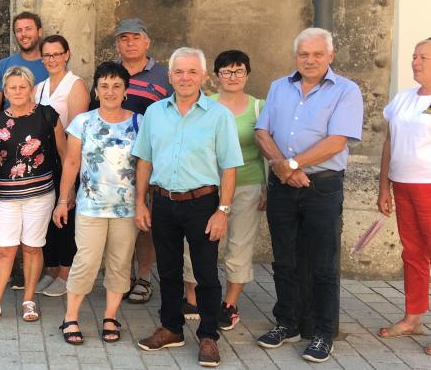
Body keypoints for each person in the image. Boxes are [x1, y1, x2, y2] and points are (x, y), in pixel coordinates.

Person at [254, 28, 364, 363]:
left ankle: (322, 331)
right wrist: (282, 167)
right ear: (296, 57)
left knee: (323, 262)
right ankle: (288, 323)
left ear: (330, 56)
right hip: (282, 186)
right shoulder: (278, 87)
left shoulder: (346, 90)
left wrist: (292, 163)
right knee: (284, 259)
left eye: (318, 54)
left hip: (322, 187)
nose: (310, 60)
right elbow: (262, 131)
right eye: (304, 54)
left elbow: (337, 141)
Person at [132, 47, 242, 368]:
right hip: (164, 202)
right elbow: (145, 160)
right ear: (170, 77)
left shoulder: (219, 115)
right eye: (179, 72)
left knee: (206, 273)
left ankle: (208, 335)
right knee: (167, 270)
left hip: (203, 204)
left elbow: (230, 167)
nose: (185, 77)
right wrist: (141, 201)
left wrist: (222, 210)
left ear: (203, 76)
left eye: (192, 72)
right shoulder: (155, 113)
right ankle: (171, 328)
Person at [55, 62, 139, 344]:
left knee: (119, 263)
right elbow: (71, 161)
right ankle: (71, 317)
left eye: (117, 86)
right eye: (104, 85)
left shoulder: (139, 123)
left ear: (125, 90)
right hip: (90, 207)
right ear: (96, 89)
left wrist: (143, 203)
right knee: (86, 262)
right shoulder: (83, 122)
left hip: (126, 209)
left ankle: (111, 316)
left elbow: (144, 167)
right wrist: (63, 199)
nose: (110, 91)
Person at [181, 50, 267, 328]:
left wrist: (267, 187)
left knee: (239, 244)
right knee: (195, 242)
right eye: (226, 71)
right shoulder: (204, 105)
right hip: (206, 187)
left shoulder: (258, 107)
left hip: (246, 185)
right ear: (216, 76)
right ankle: (192, 297)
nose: (232, 77)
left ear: (247, 74)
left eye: (238, 71)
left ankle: (229, 304)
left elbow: (266, 149)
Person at [0, 66, 65, 324]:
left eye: (22, 87)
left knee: (32, 248)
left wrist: (66, 193)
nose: (17, 91)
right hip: (5, 196)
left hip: (40, 194)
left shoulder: (48, 116)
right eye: (12, 87)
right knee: (5, 250)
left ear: (32, 89)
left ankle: (28, 300)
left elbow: (65, 153)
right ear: (5, 91)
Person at [377, 38, 431, 356]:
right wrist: (384, 186)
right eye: (414, 56)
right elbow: (389, 142)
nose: (415, 62)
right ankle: (413, 318)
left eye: (423, 57)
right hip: (403, 186)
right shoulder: (403, 98)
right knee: (413, 254)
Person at [113, 17, 171, 306]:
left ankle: (145, 277)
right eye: (124, 38)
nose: (130, 42)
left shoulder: (165, 75)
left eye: (135, 37)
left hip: (151, 161)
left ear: (147, 41)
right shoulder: (110, 73)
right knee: (122, 222)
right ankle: (123, 277)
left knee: (144, 220)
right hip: (114, 164)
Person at [34, 34, 90, 298]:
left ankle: (66, 273)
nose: (52, 59)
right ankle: (52, 269)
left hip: (66, 158)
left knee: (64, 217)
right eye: (47, 55)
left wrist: (71, 170)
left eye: (57, 54)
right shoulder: (40, 87)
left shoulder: (75, 85)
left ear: (67, 54)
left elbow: (76, 131)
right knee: (47, 218)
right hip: (43, 161)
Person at [0, 12, 48, 111]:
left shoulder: (51, 65)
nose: (23, 34)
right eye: (19, 30)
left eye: (28, 29)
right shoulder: (2, 66)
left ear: (39, 32)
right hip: (10, 124)